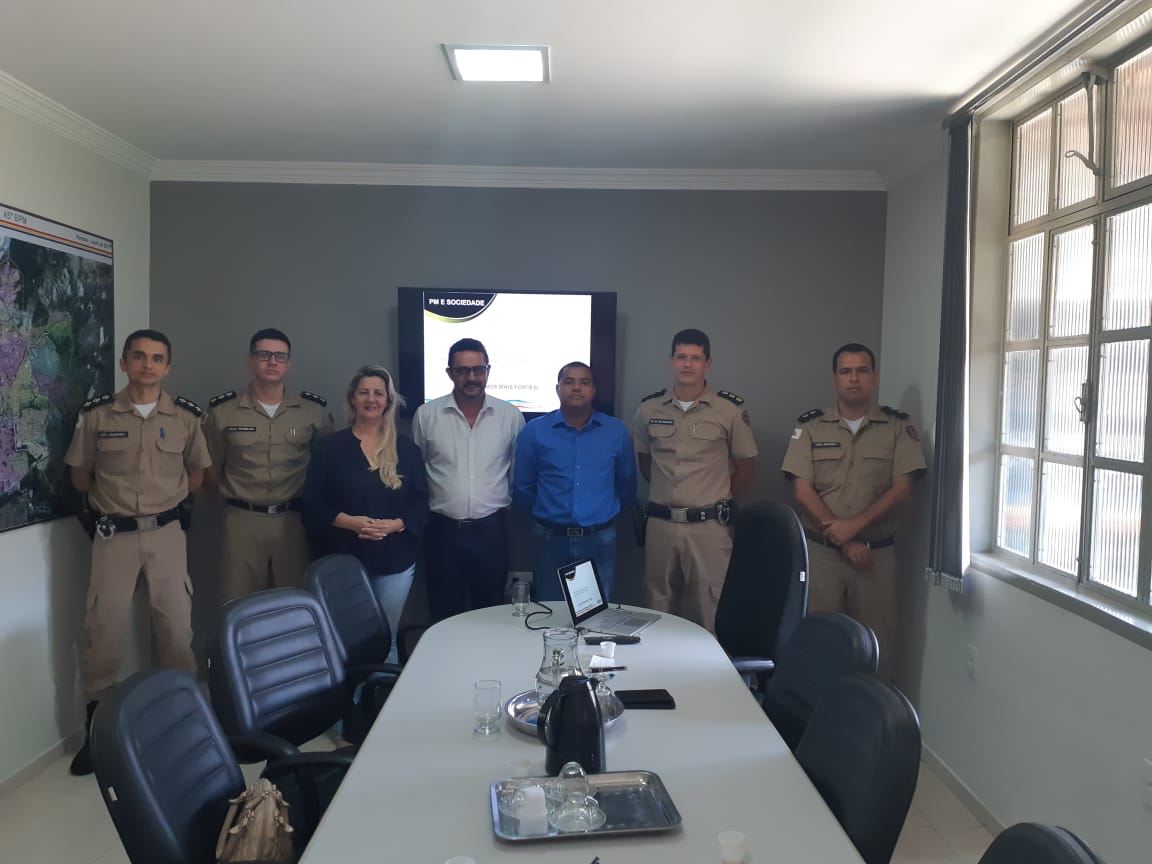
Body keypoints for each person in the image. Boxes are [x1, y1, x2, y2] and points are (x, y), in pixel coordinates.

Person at [64, 328, 210, 775]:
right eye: (140, 356)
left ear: (167, 367)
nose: (148, 365)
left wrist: (163, 503)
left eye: (157, 358)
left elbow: (196, 476)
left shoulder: (185, 418)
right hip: (115, 536)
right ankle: (99, 734)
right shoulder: (97, 416)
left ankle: (182, 725)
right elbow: (80, 475)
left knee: (176, 633)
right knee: (104, 633)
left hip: (167, 534)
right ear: (124, 363)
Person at [781, 342, 926, 681]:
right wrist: (845, 540)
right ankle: (814, 711)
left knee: (878, 644)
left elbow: (902, 492)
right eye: (846, 372)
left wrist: (853, 528)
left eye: (862, 371)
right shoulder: (810, 427)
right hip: (822, 555)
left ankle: (870, 713)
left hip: (876, 557)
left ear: (874, 378)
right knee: (818, 641)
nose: (854, 378)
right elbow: (802, 491)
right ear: (835, 379)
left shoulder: (898, 428)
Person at [633, 328, 758, 632]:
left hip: (708, 527)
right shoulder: (648, 409)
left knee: (710, 608)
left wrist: (713, 499)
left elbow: (746, 468)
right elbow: (646, 463)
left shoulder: (728, 410)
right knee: (657, 608)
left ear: (707, 364)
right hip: (661, 525)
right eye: (681, 357)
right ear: (671, 361)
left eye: (695, 358)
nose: (687, 364)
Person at [302, 365, 428, 663]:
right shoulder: (329, 448)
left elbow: (421, 502)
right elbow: (312, 503)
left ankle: (383, 693)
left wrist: (395, 525)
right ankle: (353, 694)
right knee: (344, 641)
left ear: (388, 401)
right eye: (364, 393)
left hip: (394, 560)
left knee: (386, 639)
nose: (371, 399)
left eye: (378, 393)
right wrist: (351, 523)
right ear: (352, 399)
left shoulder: (406, 449)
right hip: (343, 559)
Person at [202, 328, 333, 602]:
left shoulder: (313, 411)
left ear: (289, 363)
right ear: (250, 360)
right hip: (242, 521)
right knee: (238, 602)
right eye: (264, 354)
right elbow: (211, 470)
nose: (272, 361)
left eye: (280, 356)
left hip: (293, 522)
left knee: (294, 602)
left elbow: (326, 472)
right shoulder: (223, 412)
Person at [412, 338, 524, 620]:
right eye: (463, 371)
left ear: (488, 371)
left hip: (491, 531)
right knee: (443, 612)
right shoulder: (427, 416)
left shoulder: (510, 416)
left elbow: (516, 471)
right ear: (450, 373)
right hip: (442, 532)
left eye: (478, 370)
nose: (472, 377)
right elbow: (417, 471)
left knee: (490, 613)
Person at [513, 362, 636, 601]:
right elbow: (523, 488)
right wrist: (550, 515)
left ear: (594, 390)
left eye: (584, 382)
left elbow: (626, 485)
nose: (576, 388)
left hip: (598, 538)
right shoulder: (535, 431)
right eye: (569, 382)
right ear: (557, 388)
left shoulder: (616, 432)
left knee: (596, 615)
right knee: (551, 613)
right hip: (550, 538)